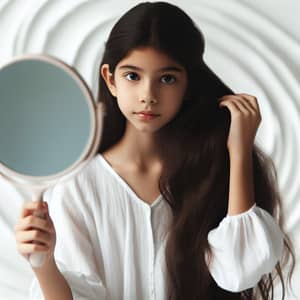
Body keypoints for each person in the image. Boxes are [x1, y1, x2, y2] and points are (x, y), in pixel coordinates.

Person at [14, 2, 295, 300]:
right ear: (110, 79)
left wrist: (238, 152)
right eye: (133, 76)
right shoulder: (78, 185)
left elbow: (241, 270)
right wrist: (43, 266)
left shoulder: (211, 171)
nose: (148, 96)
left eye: (167, 79)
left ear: (187, 84)